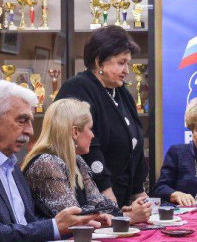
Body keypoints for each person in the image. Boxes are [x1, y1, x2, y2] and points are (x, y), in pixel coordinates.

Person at [0, 81, 105, 242]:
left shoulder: (9, 162)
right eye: (22, 121)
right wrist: (55, 226)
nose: (30, 131)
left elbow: (28, 221)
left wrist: (78, 223)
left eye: (30, 121)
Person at [55, 26, 148, 208]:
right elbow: (88, 145)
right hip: (90, 199)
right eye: (121, 63)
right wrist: (106, 191)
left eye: (128, 64)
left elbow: (135, 143)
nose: (126, 70)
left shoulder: (121, 92)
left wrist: (139, 191)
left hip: (121, 195)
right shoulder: (78, 87)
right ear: (99, 63)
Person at [23, 98, 150, 222]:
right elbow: (74, 220)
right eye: (90, 129)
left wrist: (123, 212)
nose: (93, 135)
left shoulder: (77, 160)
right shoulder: (46, 163)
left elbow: (100, 204)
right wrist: (126, 217)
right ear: (75, 132)